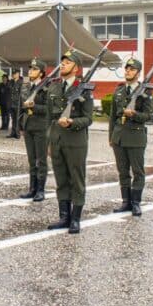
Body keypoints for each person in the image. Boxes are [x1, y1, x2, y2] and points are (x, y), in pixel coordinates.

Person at [46, 50, 93, 234]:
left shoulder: (84, 89)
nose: (63, 64)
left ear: (76, 68)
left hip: (75, 140)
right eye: (62, 62)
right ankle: (64, 217)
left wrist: (72, 122)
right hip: (57, 139)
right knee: (61, 179)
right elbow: (49, 118)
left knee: (76, 179)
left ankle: (75, 218)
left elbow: (88, 118)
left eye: (67, 62)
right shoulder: (54, 87)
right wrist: (49, 141)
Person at [109, 58, 153, 217]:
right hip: (119, 137)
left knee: (138, 171)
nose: (128, 71)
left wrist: (133, 114)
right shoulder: (119, 91)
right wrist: (111, 137)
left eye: (132, 69)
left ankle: (135, 203)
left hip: (135, 137)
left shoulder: (145, 92)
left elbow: (148, 115)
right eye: (127, 69)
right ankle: (126, 202)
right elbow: (112, 116)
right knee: (123, 172)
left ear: (138, 73)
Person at [19, 58, 49, 201]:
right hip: (28, 126)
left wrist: (34, 106)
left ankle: (41, 190)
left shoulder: (46, 88)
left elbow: (49, 109)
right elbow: (21, 107)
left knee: (41, 160)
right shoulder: (26, 87)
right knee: (32, 160)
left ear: (41, 73)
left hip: (41, 127)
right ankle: (32, 189)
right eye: (30, 68)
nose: (31, 71)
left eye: (35, 69)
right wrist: (20, 125)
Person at [7, 70, 22, 139]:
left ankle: (17, 134)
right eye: (13, 74)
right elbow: (9, 92)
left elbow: (21, 94)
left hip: (18, 104)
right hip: (11, 103)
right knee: (13, 119)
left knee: (18, 119)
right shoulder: (11, 82)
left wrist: (21, 104)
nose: (13, 75)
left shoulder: (21, 82)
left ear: (18, 74)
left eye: (15, 74)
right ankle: (13, 133)